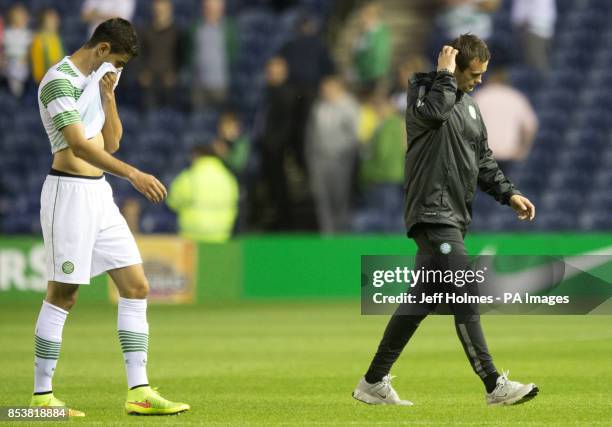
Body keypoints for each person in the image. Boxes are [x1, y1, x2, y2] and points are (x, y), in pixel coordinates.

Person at [352, 34, 538, 407]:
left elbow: (483, 160)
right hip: (431, 213)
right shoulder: (422, 92)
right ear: (455, 68)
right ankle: (492, 385)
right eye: (474, 73)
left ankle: (372, 382)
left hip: (453, 215)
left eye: (483, 74)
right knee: (466, 293)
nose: (479, 80)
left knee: (419, 302)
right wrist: (443, 75)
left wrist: (509, 193)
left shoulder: (471, 108)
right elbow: (434, 114)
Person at [32, 18, 189, 416]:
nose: (117, 71)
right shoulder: (57, 81)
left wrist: (109, 98)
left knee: (136, 286)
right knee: (63, 295)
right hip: (67, 194)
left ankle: (139, 392)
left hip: (99, 195)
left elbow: (112, 141)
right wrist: (134, 174)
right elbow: (79, 148)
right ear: (102, 49)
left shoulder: (101, 80)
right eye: (116, 62)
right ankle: (41, 396)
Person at [280, 15, 335, 172]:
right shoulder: (317, 45)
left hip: (295, 92)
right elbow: (330, 69)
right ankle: (303, 160)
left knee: (301, 128)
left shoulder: (291, 45)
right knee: (306, 128)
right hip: (306, 92)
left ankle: (299, 159)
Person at [305, 75, 359, 234]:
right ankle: (327, 234)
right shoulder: (319, 106)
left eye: (327, 88)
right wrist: (310, 157)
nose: (324, 91)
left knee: (340, 199)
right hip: (319, 160)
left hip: (341, 161)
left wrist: (345, 155)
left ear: (337, 87)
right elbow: (311, 134)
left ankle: (342, 233)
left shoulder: (349, 106)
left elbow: (354, 136)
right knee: (322, 199)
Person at [354, 90, 406, 232]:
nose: (377, 110)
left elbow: (382, 154)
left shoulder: (388, 125)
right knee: (391, 216)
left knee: (385, 218)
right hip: (393, 177)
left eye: (378, 106)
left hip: (384, 178)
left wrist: (368, 175)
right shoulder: (397, 123)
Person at [167, 144, 239, 242]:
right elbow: (235, 203)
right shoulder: (229, 178)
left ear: (196, 156)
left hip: (192, 238)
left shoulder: (189, 177)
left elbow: (172, 202)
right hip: (222, 237)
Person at [474, 67, 538, 175]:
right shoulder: (516, 97)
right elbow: (531, 126)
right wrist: (524, 149)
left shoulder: (480, 96)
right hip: (510, 153)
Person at [187, 0, 239, 109]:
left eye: (214, 7)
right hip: (198, 85)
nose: (211, 10)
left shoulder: (229, 28)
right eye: (208, 6)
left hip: (220, 85)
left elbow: (233, 55)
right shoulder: (195, 27)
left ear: (221, 9)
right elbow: (188, 52)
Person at [137, 0, 181, 109]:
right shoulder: (145, 30)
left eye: (163, 9)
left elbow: (180, 57)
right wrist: (142, 73)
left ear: (169, 10)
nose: (159, 11)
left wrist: (174, 74)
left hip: (170, 82)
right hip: (149, 81)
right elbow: (139, 54)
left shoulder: (177, 32)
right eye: (157, 9)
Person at [352, 1, 391, 87]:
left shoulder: (380, 32)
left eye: (364, 14)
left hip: (373, 76)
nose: (361, 17)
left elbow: (378, 56)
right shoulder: (363, 32)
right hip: (361, 75)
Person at [511, 0, 556, 74]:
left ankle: (545, 82)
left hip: (535, 30)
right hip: (533, 29)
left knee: (537, 64)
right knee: (532, 65)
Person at [2, 3, 32, 97]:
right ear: (12, 18)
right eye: (19, 16)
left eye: (24, 16)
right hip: (10, 62)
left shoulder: (28, 34)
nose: (23, 18)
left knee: (21, 71)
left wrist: (26, 58)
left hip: (23, 63)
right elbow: (4, 48)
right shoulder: (7, 33)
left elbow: (30, 49)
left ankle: (19, 90)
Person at [30, 8, 65, 84]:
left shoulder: (57, 39)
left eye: (56, 18)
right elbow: (38, 73)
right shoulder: (39, 40)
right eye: (51, 18)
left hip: (57, 79)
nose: (55, 21)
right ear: (43, 21)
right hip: (43, 82)